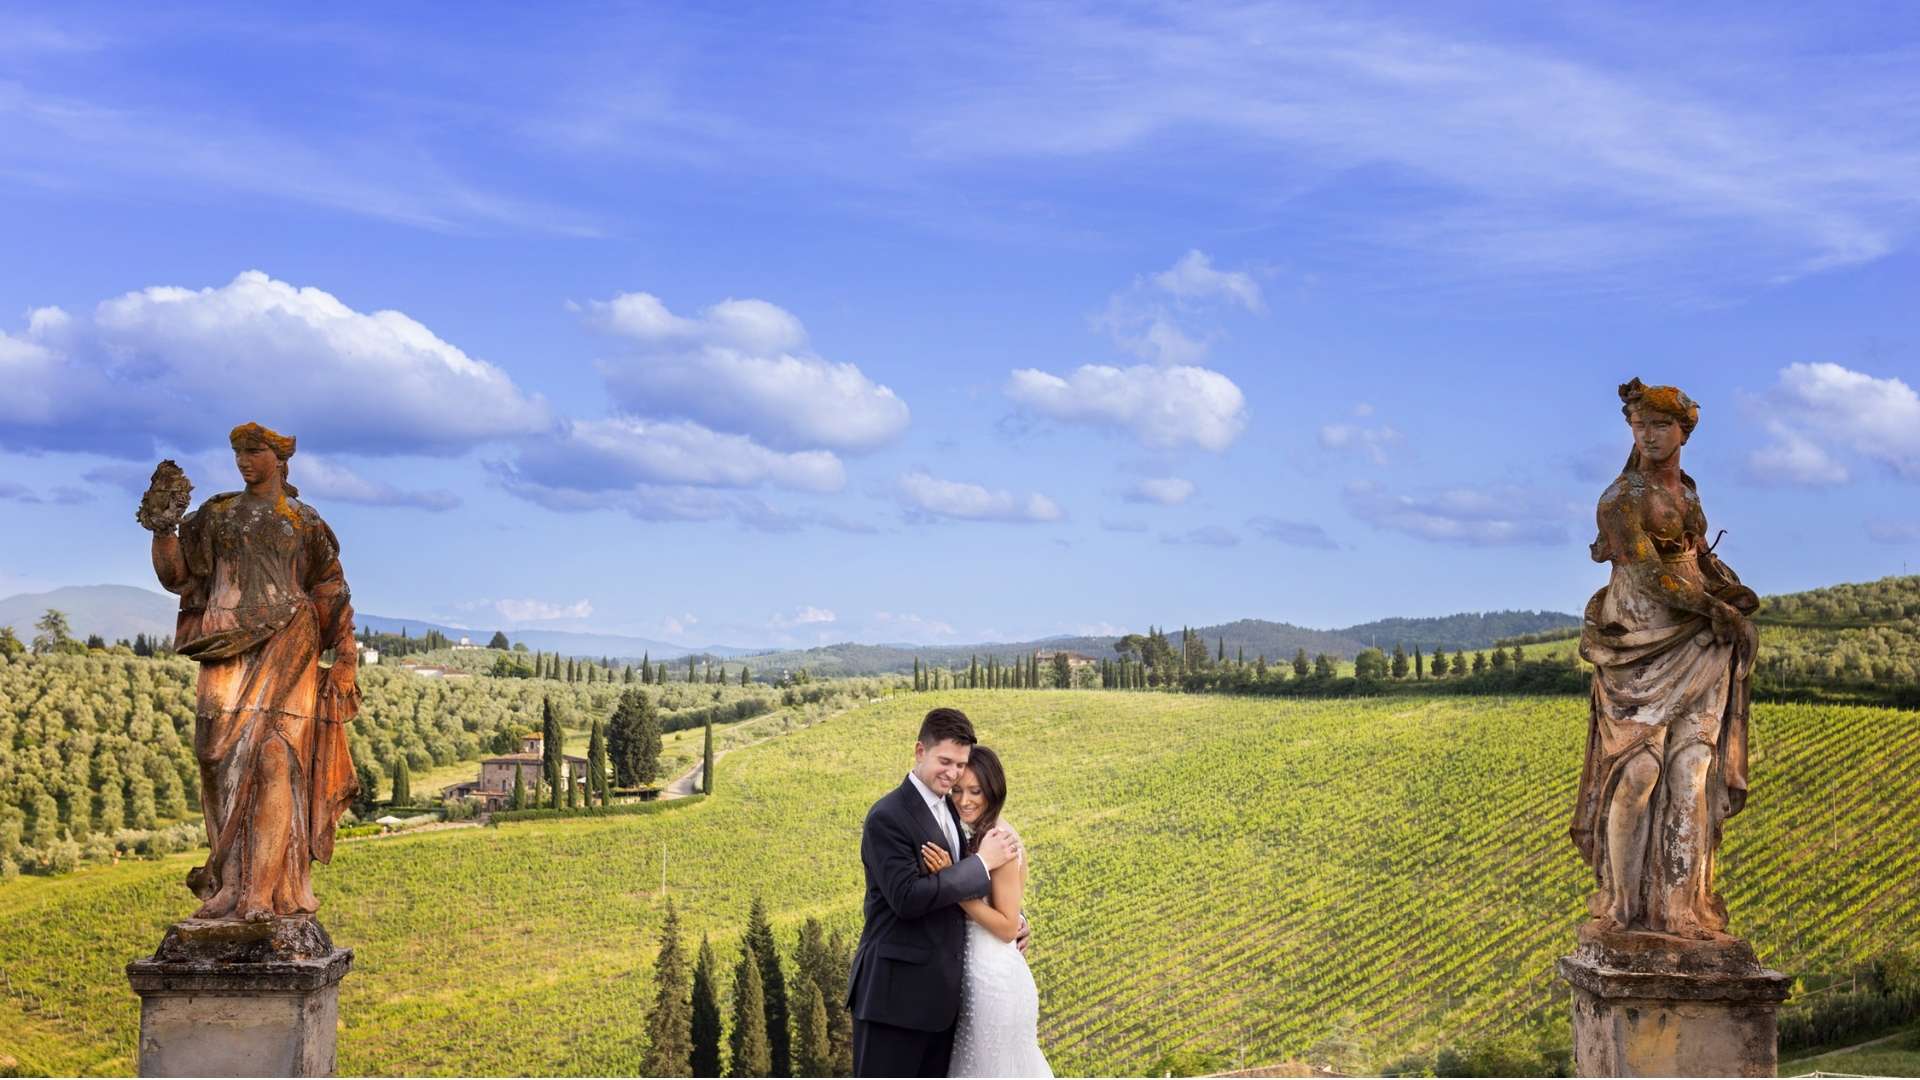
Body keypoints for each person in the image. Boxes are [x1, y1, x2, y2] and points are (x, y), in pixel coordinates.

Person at [144, 422, 360, 921]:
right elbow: (177, 576)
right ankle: (229, 883)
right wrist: (163, 529)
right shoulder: (216, 516)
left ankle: (263, 892)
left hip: (289, 645)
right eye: (239, 452)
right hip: (224, 643)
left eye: (254, 451)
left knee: (273, 761)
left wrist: (344, 657)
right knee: (215, 759)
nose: (244, 460)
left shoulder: (302, 522)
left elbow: (332, 589)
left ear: (280, 459)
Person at [1571, 379, 1759, 939]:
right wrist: (1712, 608)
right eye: (1639, 426)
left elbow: (1694, 559)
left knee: (1691, 774)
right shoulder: (1620, 499)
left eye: (1659, 425)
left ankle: (1682, 909)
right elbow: (1649, 576)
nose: (1648, 436)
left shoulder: (1689, 496)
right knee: (1639, 771)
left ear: (1684, 431)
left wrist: (1730, 596)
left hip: (1697, 643)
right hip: (1638, 644)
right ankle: (1622, 906)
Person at [848, 707, 1024, 1076]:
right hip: (893, 1001)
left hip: (942, 1005)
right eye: (945, 761)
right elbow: (907, 899)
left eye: (960, 765)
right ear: (919, 751)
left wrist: (1013, 919)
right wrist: (981, 865)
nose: (953, 773)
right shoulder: (888, 816)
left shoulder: (952, 807)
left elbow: (955, 889)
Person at [920, 745, 1051, 1077]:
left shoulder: (1000, 840)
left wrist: (952, 884)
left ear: (993, 790)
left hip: (996, 983)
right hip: (977, 979)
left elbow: (1008, 926)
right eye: (958, 790)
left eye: (975, 791)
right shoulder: (976, 836)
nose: (964, 800)